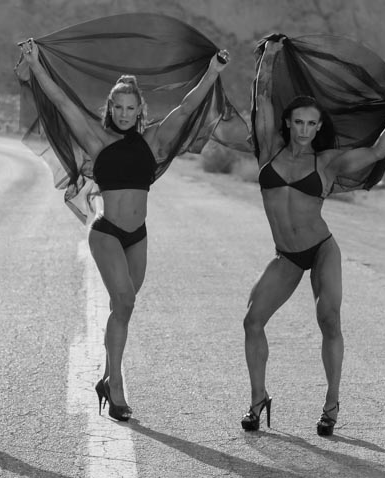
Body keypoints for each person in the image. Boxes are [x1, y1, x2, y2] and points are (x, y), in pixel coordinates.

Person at [20, 37, 230, 421]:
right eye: (117, 106)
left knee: (123, 307)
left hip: (138, 236)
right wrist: (35, 64)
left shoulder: (153, 140)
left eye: (131, 108)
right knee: (126, 301)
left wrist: (213, 71)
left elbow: (186, 108)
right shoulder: (97, 139)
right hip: (107, 233)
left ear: (139, 111)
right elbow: (63, 102)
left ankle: (107, 376)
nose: (123, 113)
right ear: (110, 108)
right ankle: (116, 385)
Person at [242, 93, 385, 435]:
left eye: (311, 123)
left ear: (319, 127)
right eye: (299, 122)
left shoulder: (326, 162)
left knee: (329, 320)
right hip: (286, 255)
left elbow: (376, 153)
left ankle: (331, 403)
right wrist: (266, 63)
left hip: (321, 248)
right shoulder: (269, 150)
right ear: (288, 122)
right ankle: (258, 399)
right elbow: (262, 98)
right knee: (252, 321)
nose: (304, 130)